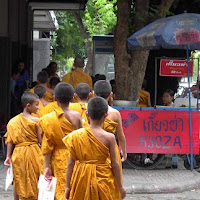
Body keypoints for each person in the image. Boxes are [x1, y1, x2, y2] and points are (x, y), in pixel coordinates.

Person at [63, 97, 126, 200]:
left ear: (87, 113)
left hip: (81, 177)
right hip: (102, 178)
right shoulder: (109, 137)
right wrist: (120, 186)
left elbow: (71, 163)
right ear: (106, 115)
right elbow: (114, 164)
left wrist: (67, 187)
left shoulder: (75, 135)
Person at [39, 82, 82, 200]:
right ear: (72, 98)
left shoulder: (47, 119)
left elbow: (47, 145)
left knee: (60, 191)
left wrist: (47, 166)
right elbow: (82, 139)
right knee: (74, 189)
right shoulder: (77, 116)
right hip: (75, 157)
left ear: (54, 98)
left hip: (57, 158)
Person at [4, 92, 44, 200]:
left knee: (19, 178)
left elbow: (10, 140)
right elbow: (40, 140)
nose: (38, 107)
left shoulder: (12, 122)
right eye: (36, 104)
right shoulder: (37, 121)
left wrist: (8, 156)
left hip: (18, 153)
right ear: (28, 106)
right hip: (34, 152)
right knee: (35, 178)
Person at [93, 80, 127, 179]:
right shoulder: (115, 113)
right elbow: (121, 136)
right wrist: (124, 153)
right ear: (111, 95)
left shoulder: (88, 111)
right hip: (110, 151)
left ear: (94, 94)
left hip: (91, 151)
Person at [162, 89, 178, 168]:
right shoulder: (164, 107)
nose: (164, 98)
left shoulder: (174, 106)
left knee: (173, 145)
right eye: (164, 96)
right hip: (166, 129)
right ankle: (168, 162)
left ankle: (174, 162)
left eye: (167, 96)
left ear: (172, 97)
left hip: (172, 129)